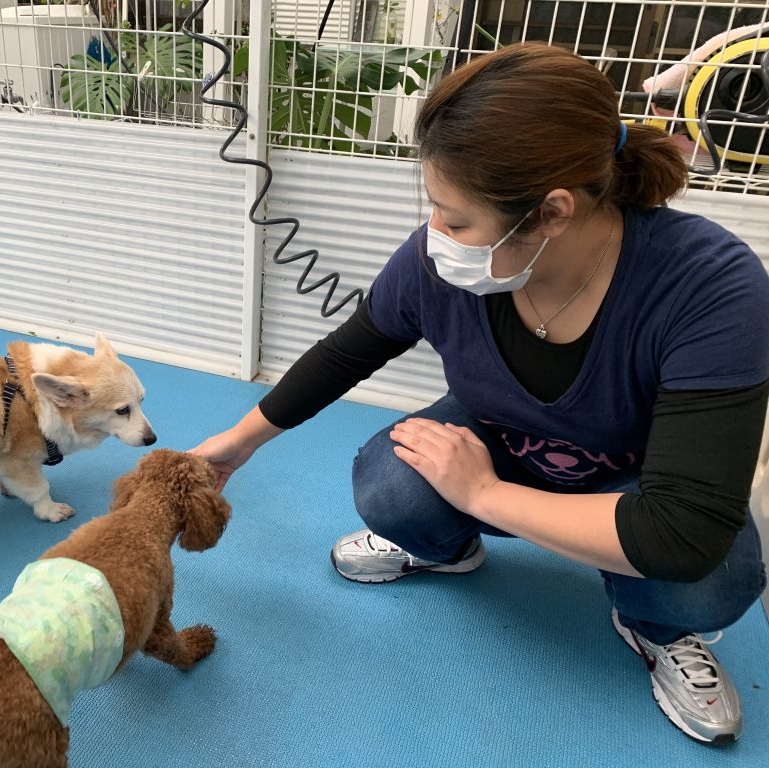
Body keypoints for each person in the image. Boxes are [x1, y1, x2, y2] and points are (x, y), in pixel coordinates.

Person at [192, 43, 769, 744]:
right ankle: (447, 547)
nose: (436, 236)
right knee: (390, 486)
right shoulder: (440, 264)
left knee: (706, 577)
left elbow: (682, 534)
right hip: (508, 434)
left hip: (634, 473)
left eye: (457, 220)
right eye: (434, 209)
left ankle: (651, 625)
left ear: (552, 211)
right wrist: (235, 444)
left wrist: (483, 495)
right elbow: (353, 348)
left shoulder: (712, 288)